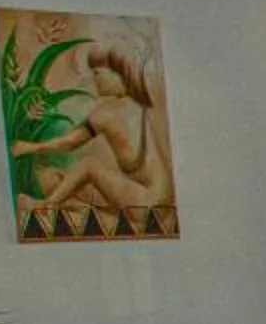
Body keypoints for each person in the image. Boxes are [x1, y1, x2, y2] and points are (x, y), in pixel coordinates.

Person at [13, 43, 173, 219]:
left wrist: (29, 147)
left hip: (147, 203)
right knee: (61, 180)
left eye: (97, 73)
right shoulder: (136, 104)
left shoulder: (107, 113)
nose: (94, 79)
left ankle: (43, 206)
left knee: (88, 165)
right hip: (160, 199)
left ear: (117, 73)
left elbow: (68, 142)